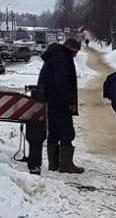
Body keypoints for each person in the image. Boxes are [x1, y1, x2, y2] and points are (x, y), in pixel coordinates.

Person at [36, 36, 84, 174]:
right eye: (76, 51)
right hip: (60, 102)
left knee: (54, 132)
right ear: (71, 47)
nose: (76, 55)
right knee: (67, 132)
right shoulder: (63, 59)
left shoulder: (54, 56)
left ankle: (54, 164)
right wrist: (70, 101)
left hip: (50, 100)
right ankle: (66, 165)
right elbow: (62, 83)